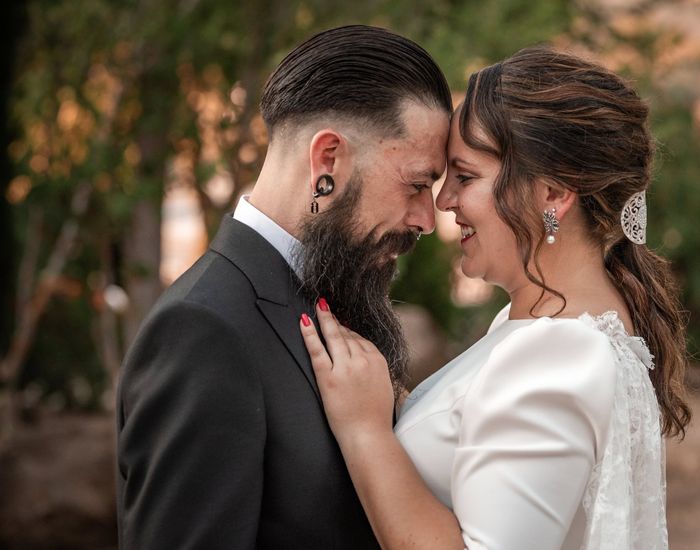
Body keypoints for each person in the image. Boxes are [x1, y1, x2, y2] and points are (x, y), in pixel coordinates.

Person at [299, 47, 692, 549]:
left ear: (553, 193)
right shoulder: (543, 327)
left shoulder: (557, 356)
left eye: (465, 177)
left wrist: (364, 430)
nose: (443, 202)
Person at [116, 25, 451, 549]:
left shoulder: (332, 293)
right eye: (416, 184)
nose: (427, 218)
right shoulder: (203, 331)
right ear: (328, 163)